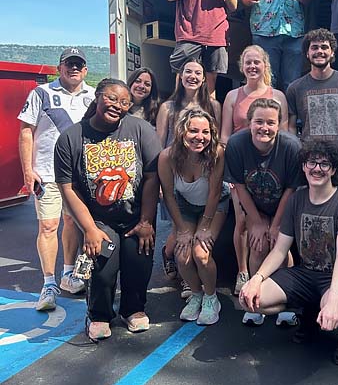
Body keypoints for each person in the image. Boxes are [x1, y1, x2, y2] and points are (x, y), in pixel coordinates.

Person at [239, 141, 338, 366]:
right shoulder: (297, 199)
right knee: (251, 300)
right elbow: (280, 249)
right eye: (312, 162)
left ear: (334, 170)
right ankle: (308, 311)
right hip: (306, 274)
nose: (317, 168)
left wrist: (334, 300)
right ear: (304, 166)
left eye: (325, 164)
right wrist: (256, 279)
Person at [54, 78, 161, 341]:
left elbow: (152, 177)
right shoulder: (71, 137)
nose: (118, 106)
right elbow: (68, 188)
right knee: (102, 268)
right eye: (112, 98)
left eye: (125, 102)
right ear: (98, 97)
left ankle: (133, 309)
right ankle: (99, 314)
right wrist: (88, 228)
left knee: (139, 263)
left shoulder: (141, 129)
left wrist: (147, 220)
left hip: (136, 215)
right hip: (98, 219)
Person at [18, 47, 95, 310]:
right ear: (59, 67)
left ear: (85, 70)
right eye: (69, 64)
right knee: (48, 227)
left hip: (79, 176)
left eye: (78, 65)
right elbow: (26, 132)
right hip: (47, 173)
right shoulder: (41, 93)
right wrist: (28, 170)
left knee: (73, 223)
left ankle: (69, 275)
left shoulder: (93, 96)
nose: (74, 68)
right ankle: (48, 285)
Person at [225, 98, 303, 326]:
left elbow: (291, 188)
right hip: (254, 203)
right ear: (249, 123)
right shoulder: (237, 145)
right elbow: (239, 185)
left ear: (279, 125)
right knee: (258, 245)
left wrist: (277, 224)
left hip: (284, 204)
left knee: (279, 245)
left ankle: (286, 303)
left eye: (271, 122)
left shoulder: (291, 146)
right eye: (259, 121)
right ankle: (254, 302)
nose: (264, 128)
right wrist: (256, 222)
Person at [222, 46, 289, 296]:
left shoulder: (278, 96)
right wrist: (229, 173)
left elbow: (284, 132)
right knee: (242, 220)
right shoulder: (232, 96)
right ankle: (243, 272)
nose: (252, 67)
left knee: (276, 224)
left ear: (265, 66)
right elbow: (225, 136)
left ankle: (277, 276)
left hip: (272, 167)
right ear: (242, 66)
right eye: (248, 62)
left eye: (257, 62)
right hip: (241, 166)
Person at [158, 108, 228, 326]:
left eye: (206, 132)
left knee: (201, 253)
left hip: (214, 205)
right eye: (194, 131)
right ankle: (196, 294)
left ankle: (211, 297)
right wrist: (182, 229)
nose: (200, 137)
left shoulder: (217, 152)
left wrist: (204, 227)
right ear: (181, 132)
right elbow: (168, 195)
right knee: (182, 255)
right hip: (185, 206)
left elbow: (216, 191)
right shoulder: (167, 157)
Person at [156, 60, 221, 291]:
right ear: (180, 76)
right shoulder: (168, 107)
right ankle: (175, 263)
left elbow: (216, 141)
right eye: (188, 72)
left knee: (193, 236)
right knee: (179, 231)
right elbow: (158, 142)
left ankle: (191, 277)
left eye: (198, 73)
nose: (193, 76)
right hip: (177, 175)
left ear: (204, 79)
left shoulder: (212, 105)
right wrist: (162, 183)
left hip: (203, 172)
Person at [286, 29, 338, 199]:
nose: (319, 51)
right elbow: (290, 127)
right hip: (310, 165)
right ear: (307, 53)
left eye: (324, 47)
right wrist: (299, 159)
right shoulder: (295, 88)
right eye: (314, 47)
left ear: (332, 52)